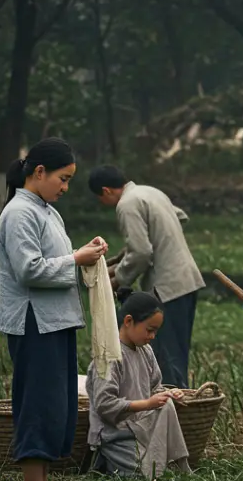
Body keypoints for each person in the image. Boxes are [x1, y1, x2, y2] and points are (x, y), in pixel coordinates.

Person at [0, 137, 109, 481]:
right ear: (39, 172)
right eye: (63, 178)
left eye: (69, 180)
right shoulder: (19, 213)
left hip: (56, 319)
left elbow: (55, 259)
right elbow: (29, 270)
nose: (65, 187)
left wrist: (83, 253)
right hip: (34, 321)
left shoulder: (46, 211)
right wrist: (76, 259)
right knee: (38, 401)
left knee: (56, 401)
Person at [87, 165, 205, 388]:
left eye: (100, 198)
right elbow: (179, 218)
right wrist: (122, 257)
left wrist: (117, 279)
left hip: (167, 286)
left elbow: (141, 253)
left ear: (106, 191)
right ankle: (183, 406)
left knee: (167, 359)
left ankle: (174, 411)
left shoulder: (126, 205)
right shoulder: (150, 192)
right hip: (187, 279)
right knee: (178, 353)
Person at [86, 289, 192, 480]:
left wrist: (168, 394)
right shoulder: (109, 356)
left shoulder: (146, 352)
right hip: (118, 434)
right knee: (143, 475)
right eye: (149, 330)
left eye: (156, 331)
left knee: (167, 406)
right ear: (128, 322)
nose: (152, 336)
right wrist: (147, 404)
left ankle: (170, 463)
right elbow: (104, 404)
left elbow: (155, 388)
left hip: (144, 427)